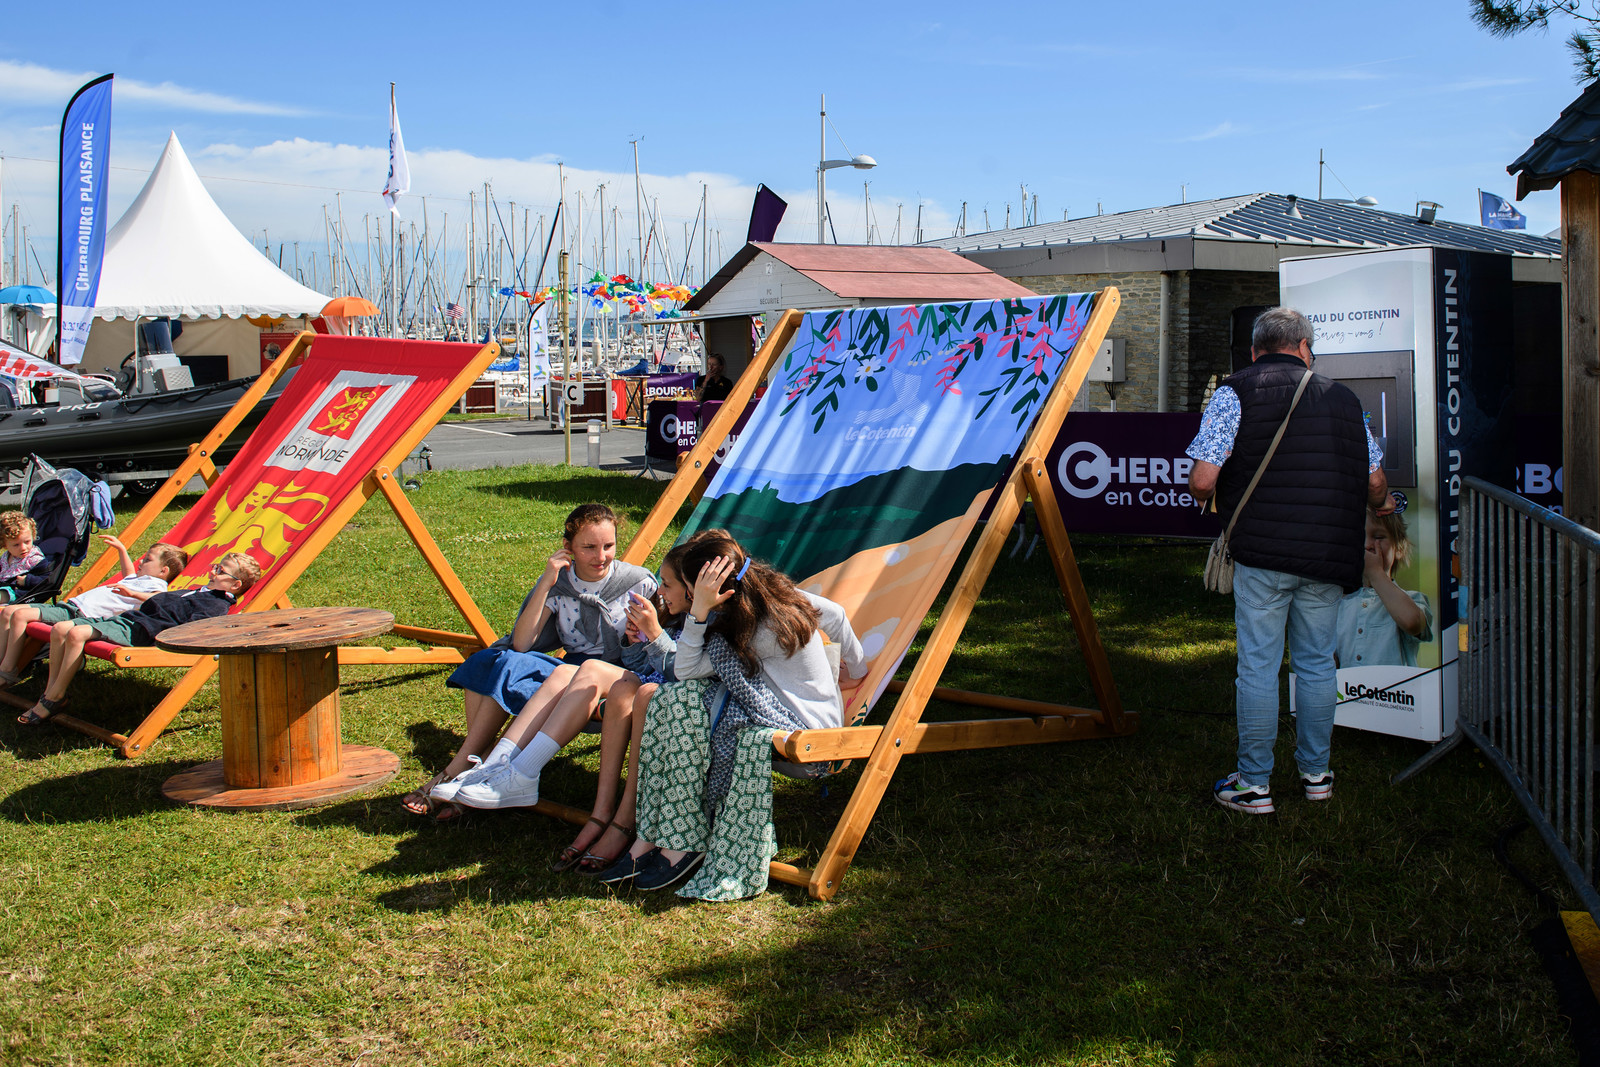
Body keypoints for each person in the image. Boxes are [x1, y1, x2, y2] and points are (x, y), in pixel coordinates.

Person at [1186, 306, 1392, 814]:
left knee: (1258, 666)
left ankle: (1254, 785)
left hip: (1262, 553)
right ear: (1305, 348)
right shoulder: (1345, 399)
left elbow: (1202, 481)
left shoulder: (1233, 393)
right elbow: (1375, 482)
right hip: (1327, 555)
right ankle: (1316, 776)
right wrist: (1384, 508)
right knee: (1318, 664)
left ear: (1255, 350)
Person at [600, 529, 868, 898]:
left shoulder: (755, 626)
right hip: (786, 714)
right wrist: (855, 669)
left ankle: (680, 837)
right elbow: (834, 614)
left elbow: (686, 670)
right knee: (675, 699)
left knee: (682, 702)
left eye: (692, 592)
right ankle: (658, 835)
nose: (691, 599)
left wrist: (696, 616)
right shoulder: (767, 597)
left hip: (805, 739)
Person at [450, 540, 693, 875]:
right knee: (566, 669)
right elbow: (637, 661)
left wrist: (654, 635)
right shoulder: (669, 609)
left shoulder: (700, 620)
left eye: (666, 584)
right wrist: (636, 640)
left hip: (667, 693)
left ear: (691, 589)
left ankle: (518, 773)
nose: (659, 589)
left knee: (587, 670)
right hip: (639, 679)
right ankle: (496, 768)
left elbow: (684, 672)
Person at [402, 503, 656, 817]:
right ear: (568, 548)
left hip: (618, 679)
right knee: (494, 660)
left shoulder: (638, 582)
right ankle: (478, 762)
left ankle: (459, 770)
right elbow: (522, 642)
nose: (601, 556)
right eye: (588, 547)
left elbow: (658, 643)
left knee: (515, 666)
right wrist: (546, 583)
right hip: (571, 669)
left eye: (608, 546)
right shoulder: (561, 584)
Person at [17, 552, 259, 725]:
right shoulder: (198, 591)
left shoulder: (215, 604)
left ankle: (53, 698)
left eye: (220, 570)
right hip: (129, 620)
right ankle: (51, 691)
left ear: (235, 584)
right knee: (60, 629)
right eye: (216, 565)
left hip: (142, 632)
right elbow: (161, 601)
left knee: (76, 633)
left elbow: (193, 629)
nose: (213, 570)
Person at [0, 535, 186, 687]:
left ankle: (7, 671)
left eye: (147, 559)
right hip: (70, 607)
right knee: (7, 612)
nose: (141, 561)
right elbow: (128, 573)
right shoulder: (137, 579)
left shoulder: (157, 586)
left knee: (19, 614)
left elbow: (158, 599)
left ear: (163, 571)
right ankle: (4, 665)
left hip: (80, 615)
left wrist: (133, 594)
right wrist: (121, 550)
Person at [1335, 508, 1432, 669]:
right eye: (1360, 537)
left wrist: (1375, 573)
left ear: (1399, 548)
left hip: (1397, 693)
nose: (1367, 545)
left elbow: (1413, 623)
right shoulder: (1339, 605)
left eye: (1378, 537)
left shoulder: (1413, 599)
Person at [0, 512, 48, 605]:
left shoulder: (35, 559)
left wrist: (27, 580)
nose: (23, 548)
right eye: (16, 545)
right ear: (5, 545)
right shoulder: (6, 557)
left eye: (27, 541)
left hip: (17, 592)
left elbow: (47, 581)